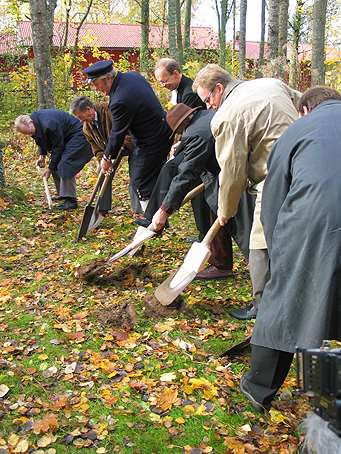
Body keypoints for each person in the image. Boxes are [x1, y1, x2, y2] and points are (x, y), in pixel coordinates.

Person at [239, 86, 341, 413]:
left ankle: (258, 390)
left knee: (284, 301)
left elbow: (273, 198)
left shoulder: (297, 130)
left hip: (313, 219)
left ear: (305, 109)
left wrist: (279, 252)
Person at [192, 64, 301, 320]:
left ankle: (263, 308)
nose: (209, 107)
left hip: (275, 178)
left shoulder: (227, 116)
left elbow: (231, 172)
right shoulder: (270, 83)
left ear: (219, 88)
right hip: (308, 164)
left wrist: (225, 211)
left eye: (208, 99)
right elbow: (304, 106)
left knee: (259, 242)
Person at [145, 58, 234, 280]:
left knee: (221, 211)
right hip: (222, 169)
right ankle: (220, 261)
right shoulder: (205, 116)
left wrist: (164, 210)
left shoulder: (196, 132)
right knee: (213, 207)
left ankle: (222, 264)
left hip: (227, 173)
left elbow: (185, 175)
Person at [83, 60, 172, 212]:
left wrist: (106, 158)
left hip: (151, 141)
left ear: (107, 79)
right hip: (162, 131)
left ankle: (152, 222)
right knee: (149, 180)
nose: (96, 89)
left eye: (96, 84)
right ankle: (157, 218)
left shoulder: (119, 100)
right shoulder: (132, 76)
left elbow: (117, 133)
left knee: (140, 182)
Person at [70, 96, 141, 221]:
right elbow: (96, 148)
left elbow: (126, 131)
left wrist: (115, 150)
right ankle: (101, 210)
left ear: (89, 109)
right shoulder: (87, 127)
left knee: (135, 177)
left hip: (134, 145)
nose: (80, 121)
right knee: (103, 175)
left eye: (81, 117)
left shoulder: (110, 111)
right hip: (111, 151)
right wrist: (102, 161)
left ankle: (138, 211)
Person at [14, 109, 93, 210]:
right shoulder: (35, 122)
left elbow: (57, 148)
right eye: (27, 134)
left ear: (29, 123)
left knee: (65, 163)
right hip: (66, 138)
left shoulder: (49, 124)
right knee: (56, 163)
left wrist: (50, 169)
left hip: (79, 135)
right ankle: (63, 194)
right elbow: (40, 138)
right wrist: (42, 155)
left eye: (29, 132)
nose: (30, 135)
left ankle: (71, 200)